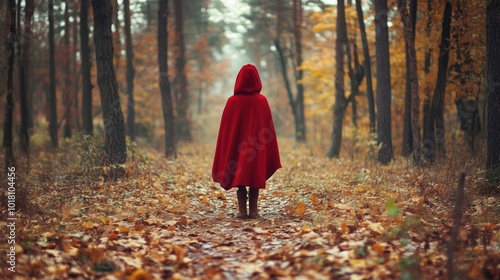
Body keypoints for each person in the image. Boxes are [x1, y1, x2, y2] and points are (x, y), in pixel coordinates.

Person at [212, 64, 282, 219]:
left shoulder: (232, 102)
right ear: (257, 79)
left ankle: (243, 212)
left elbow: (227, 132)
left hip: (238, 147)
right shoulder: (261, 101)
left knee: (238, 172)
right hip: (256, 147)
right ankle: (253, 212)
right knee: (254, 173)